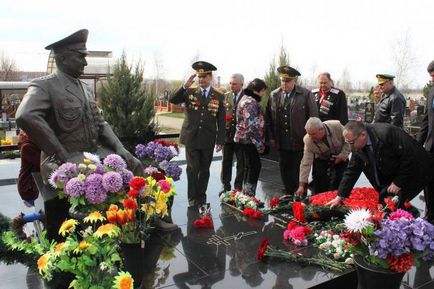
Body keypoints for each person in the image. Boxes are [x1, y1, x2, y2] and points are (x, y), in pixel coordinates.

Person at [15, 29, 147, 240]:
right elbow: (25, 115)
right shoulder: (45, 85)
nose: (85, 63)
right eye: (81, 56)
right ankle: (81, 236)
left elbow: (100, 123)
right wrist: (63, 155)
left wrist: (121, 149)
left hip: (90, 155)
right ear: (64, 57)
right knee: (79, 208)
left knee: (134, 164)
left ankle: (143, 220)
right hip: (62, 161)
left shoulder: (85, 88)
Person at [326, 121, 431, 209]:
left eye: (351, 142)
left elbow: (409, 157)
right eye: (347, 142)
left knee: (400, 205)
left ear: (363, 135)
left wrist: (398, 182)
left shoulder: (387, 133)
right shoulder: (357, 146)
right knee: (391, 205)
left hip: (417, 170)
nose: (349, 146)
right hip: (392, 173)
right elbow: (352, 170)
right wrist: (340, 196)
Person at [170, 61, 225, 209]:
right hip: (191, 137)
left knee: (205, 169)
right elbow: (173, 100)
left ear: (210, 77)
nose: (201, 80)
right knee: (192, 169)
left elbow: (221, 119)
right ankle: (192, 198)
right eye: (199, 77)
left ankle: (202, 195)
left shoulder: (219, 96)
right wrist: (184, 86)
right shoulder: (189, 92)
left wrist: (220, 140)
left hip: (208, 137)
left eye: (204, 77)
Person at [266, 65, 318, 195]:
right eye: (282, 80)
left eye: (288, 81)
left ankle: (301, 194)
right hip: (281, 139)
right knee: (284, 168)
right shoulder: (274, 95)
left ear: (295, 81)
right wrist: (271, 137)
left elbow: (313, 118)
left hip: (299, 139)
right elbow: (268, 119)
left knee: (299, 170)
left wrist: (311, 137)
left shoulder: (305, 94)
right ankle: (288, 194)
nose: (284, 83)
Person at [295, 117, 350, 197]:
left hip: (341, 157)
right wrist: (301, 185)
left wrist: (342, 155)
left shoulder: (336, 126)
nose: (311, 137)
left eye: (313, 134)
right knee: (320, 184)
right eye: (309, 134)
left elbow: (348, 141)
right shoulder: (308, 140)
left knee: (341, 182)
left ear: (321, 129)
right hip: (322, 159)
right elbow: (306, 163)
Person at [234, 78, 267, 196]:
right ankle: (249, 195)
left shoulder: (244, 98)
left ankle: (245, 194)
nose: (263, 94)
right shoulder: (251, 102)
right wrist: (259, 145)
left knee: (249, 166)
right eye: (263, 91)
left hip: (243, 139)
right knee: (255, 166)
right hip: (248, 140)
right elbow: (252, 126)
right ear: (257, 90)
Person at [220, 73, 245, 194]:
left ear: (241, 84)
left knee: (241, 162)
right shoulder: (225, 97)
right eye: (230, 83)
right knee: (226, 161)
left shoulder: (247, 97)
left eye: (234, 84)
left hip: (241, 136)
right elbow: (220, 117)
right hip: (228, 135)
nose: (232, 86)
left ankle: (238, 187)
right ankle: (225, 185)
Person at [416, 60, 434, 223]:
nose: (432, 79)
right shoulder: (432, 92)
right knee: (428, 182)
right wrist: (417, 144)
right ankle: (430, 216)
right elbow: (426, 121)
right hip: (431, 147)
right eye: (431, 76)